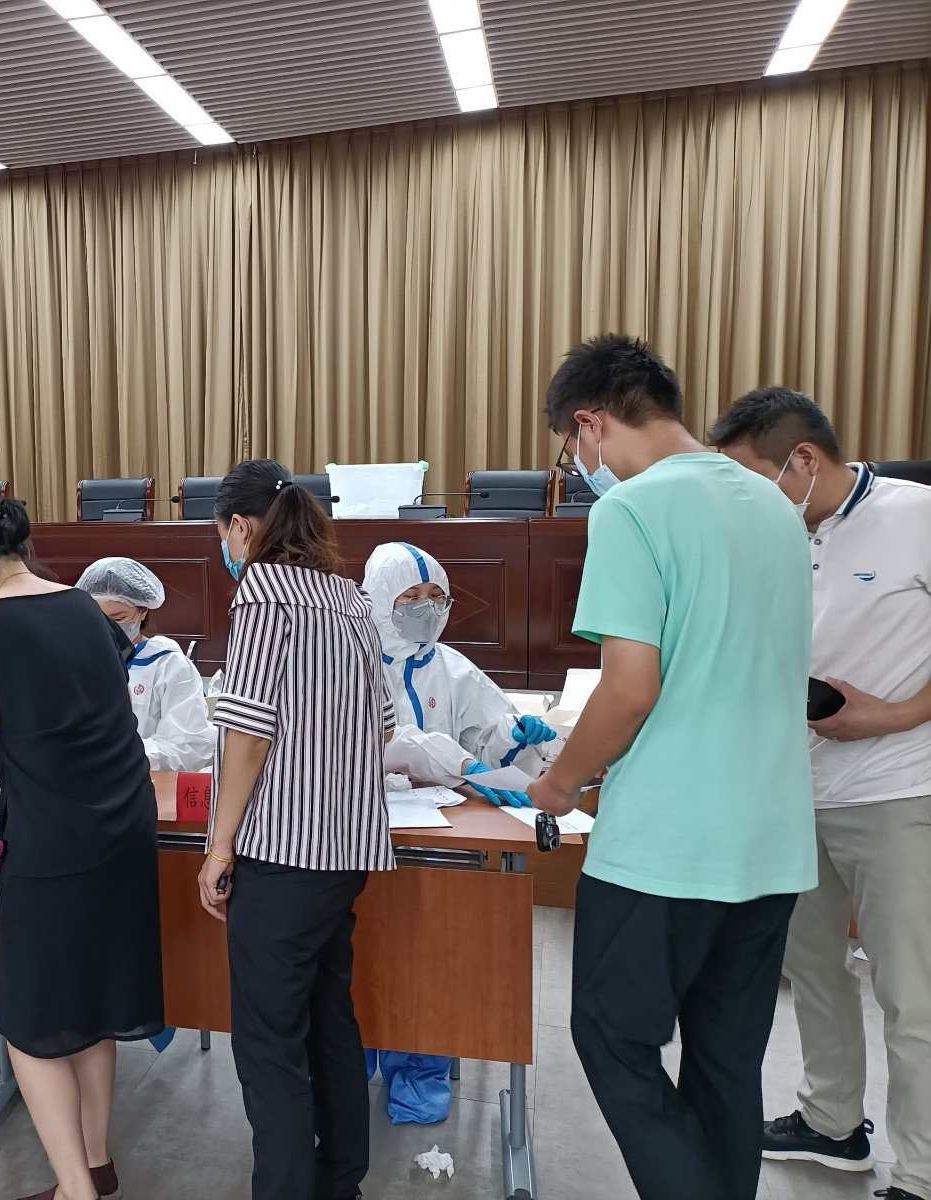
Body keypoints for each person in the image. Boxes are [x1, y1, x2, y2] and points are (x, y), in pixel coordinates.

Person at [523, 336, 816, 1200]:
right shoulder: (776, 507)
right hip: (770, 844)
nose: (581, 466)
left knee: (612, 1039)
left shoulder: (632, 510)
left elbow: (629, 690)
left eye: (572, 447)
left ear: (590, 422)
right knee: (725, 1063)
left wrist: (559, 783)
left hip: (665, 848)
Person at [710, 387, 931, 1200]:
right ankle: (832, 1121)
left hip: (896, 791)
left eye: (752, 479)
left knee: (912, 993)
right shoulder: (776, 536)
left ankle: (922, 1171)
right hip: (792, 791)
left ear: (801, 460)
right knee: (813, 970)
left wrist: (892, 714)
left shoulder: (917, 515)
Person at [0, 499, 163, 1200]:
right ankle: (96, 1163)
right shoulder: (85, 608)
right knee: (91, 999)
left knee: (30, 1022)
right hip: (123, 823)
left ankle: (74, 1192)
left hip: (52, 837)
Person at [198, 459, 394, 1200]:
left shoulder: (262, 594)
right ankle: (340, 1181)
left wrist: (220, 845)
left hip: (280, 856)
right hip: (344, 852)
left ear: (240, 526)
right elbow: (381, 726)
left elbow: (247, 733)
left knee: (269, 1043)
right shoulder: (349, 598)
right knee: (329, 1021)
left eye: (224, 532)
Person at [362, 541, 556, 807]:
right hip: (367, 809)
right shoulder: (354, 661)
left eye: (436, 596)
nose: (427, 606)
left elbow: (484, 747)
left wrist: (515, 735)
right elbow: (379, 740)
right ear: (379, 599)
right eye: (412, 597)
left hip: (449, 812)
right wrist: (458, 764)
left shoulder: (452, 666)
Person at [76, 555, 214, 772]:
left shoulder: (169, 665)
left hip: (145, 777)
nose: (108, 628)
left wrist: (118, 756)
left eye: (119, 618)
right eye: (97, 618)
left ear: (143, 611)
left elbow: (187, 746)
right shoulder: (76, 660)